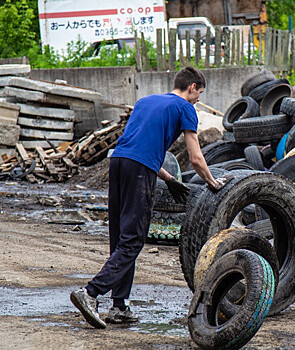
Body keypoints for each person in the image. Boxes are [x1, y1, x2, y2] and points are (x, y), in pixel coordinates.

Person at [70, 66, 232, 329]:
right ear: (191, 87)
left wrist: (168, 179)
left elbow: (139, 146)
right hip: (138, 170)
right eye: (199, 93)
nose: (199, 100)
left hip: (118, 163)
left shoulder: (145, 101)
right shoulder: (185, 109)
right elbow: (195, 157)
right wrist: (213, 182)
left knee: (121, 238)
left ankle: (119, 306)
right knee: (133, 240)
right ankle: (90, 293)